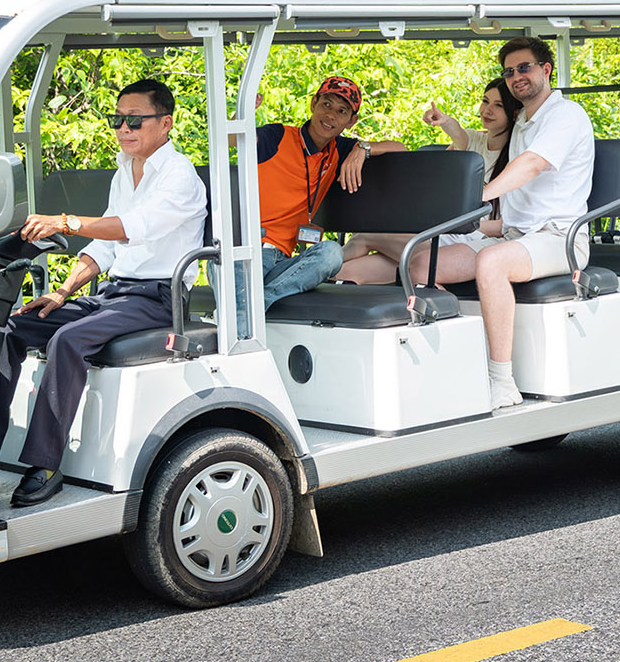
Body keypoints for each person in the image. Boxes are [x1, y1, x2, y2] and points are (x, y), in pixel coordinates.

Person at [0, 78, 207, 508]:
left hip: (158, 299)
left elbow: (130, 229)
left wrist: (65, 221)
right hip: (116, 293)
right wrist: (63, 291)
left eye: (135, 120)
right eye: (118, 119)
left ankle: (45, 465)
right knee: (13, 327)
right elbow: (106, 246)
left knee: (68, 340)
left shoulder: (180, 177)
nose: (124, 128)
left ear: (166, 124)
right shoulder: (126, 171)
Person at [397, 37, 594, 411]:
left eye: (524, 68)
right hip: (515, 236)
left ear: (545, 69)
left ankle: (502, 380)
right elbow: (480, 140)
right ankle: (459, 358)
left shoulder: (566, 115)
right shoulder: (522, 122)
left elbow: (532, 164)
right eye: (510, 71)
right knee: (422, 263)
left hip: (559, 238)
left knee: (492, 262)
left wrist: (481, 195)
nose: (517, 76)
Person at [339, 77, 520, 282]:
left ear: (513, 113)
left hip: (468, 240)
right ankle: (312, 269)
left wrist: (455, 225)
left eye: (498, 105)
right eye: (485, 101)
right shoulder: (474, 141)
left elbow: (506, 225)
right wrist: (444, 120)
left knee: (366, 236)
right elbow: (456, 131)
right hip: (441, 235)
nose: (487, 110)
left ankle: (311, 264)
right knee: (345, 273)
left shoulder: (518, 159)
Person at [242, 74, 378, 312]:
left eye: (341, 111)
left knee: (332, 253)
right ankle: (252, 308)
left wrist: (362, 148)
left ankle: (255, 304)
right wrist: (243, 113)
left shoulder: (340, 150)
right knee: (239, 295)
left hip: (283, 261)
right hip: (246, 249)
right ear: (314, 104)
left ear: (351, 122)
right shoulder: (279, 136)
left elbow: (400, 147)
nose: (331, 115)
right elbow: (234, 139)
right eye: (326, 104)